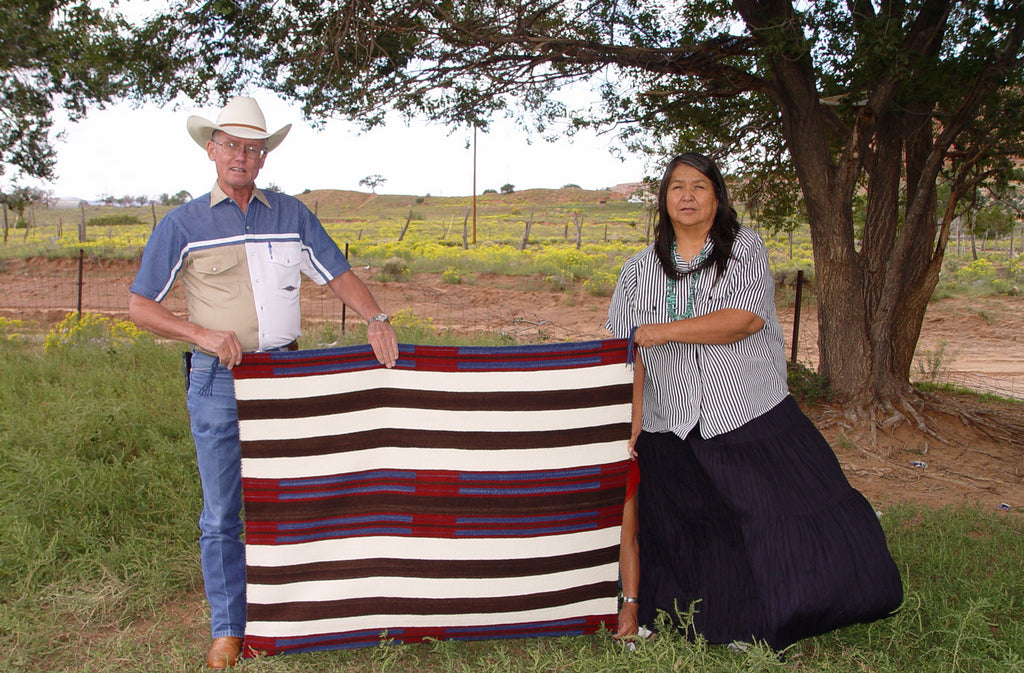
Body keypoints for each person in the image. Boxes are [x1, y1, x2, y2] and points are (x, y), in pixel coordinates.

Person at [128, 97, 398, 669]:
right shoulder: (183, 224)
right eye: (230, 145)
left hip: (285, 377)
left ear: (263, 157)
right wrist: (198, 332)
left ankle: (295, 614)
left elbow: (338, 274)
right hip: (219, 379)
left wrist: (376, 318)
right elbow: (139, 307)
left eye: (251, 148)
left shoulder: (291, 215)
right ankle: (228, 628)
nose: (240, 156)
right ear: (211, 150)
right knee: (223, 511)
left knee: (295, 499)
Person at [605, 152, 903, 652]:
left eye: (699, 186)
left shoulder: (742, 247)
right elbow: (625, 351)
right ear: (663, 200)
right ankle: (703, 621)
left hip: (744, 408)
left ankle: (791, 609)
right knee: (685, 526)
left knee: (771, 518)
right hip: (669, 419)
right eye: (677, 187)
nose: (687, 196)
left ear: (717, 198)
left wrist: (657, 331)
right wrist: (634, 422)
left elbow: (743, 319)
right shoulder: (637, 270)